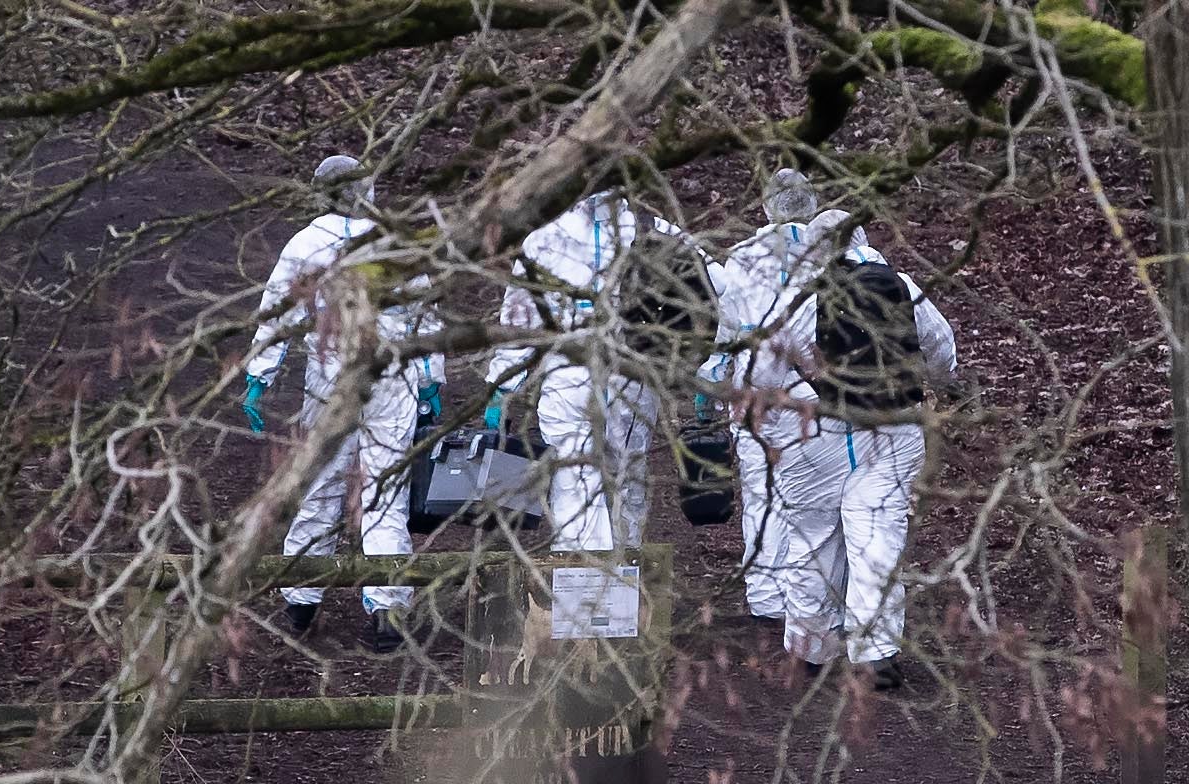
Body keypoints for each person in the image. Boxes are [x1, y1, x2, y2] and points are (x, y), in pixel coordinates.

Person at [240, 155, 445, 652]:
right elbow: (424, 315)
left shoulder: (306, 244)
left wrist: (258, 375)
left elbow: (278, 310)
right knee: (385, 491)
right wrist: (430, 378)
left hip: (331, 380)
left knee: (320, 483)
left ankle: (302, 597)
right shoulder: (393, 239)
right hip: (390, 377)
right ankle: (387, 608)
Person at [781, 208, 958, 689]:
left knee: (812, 535)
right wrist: (944, 381)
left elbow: (776, 361)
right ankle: (875, 654)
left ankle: (808, 650)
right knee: (877, 536)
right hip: (893, 424)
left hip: (823, 430)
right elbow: (941, 346)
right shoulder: (900, 282)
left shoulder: (804, 295)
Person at [483, 189, 701, 551]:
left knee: (573, 477)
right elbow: (717, 289)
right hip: (631, 374)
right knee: (626, 479)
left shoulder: (546, 239)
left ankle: (576, 583)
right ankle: (624, 583)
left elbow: (519, 320)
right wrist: (707, 361)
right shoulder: (655, 232)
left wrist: (502, 385)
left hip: (567, 373)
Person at [697, 168, 833, 625]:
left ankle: (765, 597)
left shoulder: (743, 257)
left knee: (762, 493)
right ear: (812, 204)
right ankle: (808, 598)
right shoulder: (827, 253)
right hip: (813, 390)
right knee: (813, 498)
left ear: (766, 205)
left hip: (755, 390)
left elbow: (728, 328)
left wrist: (713, 380)